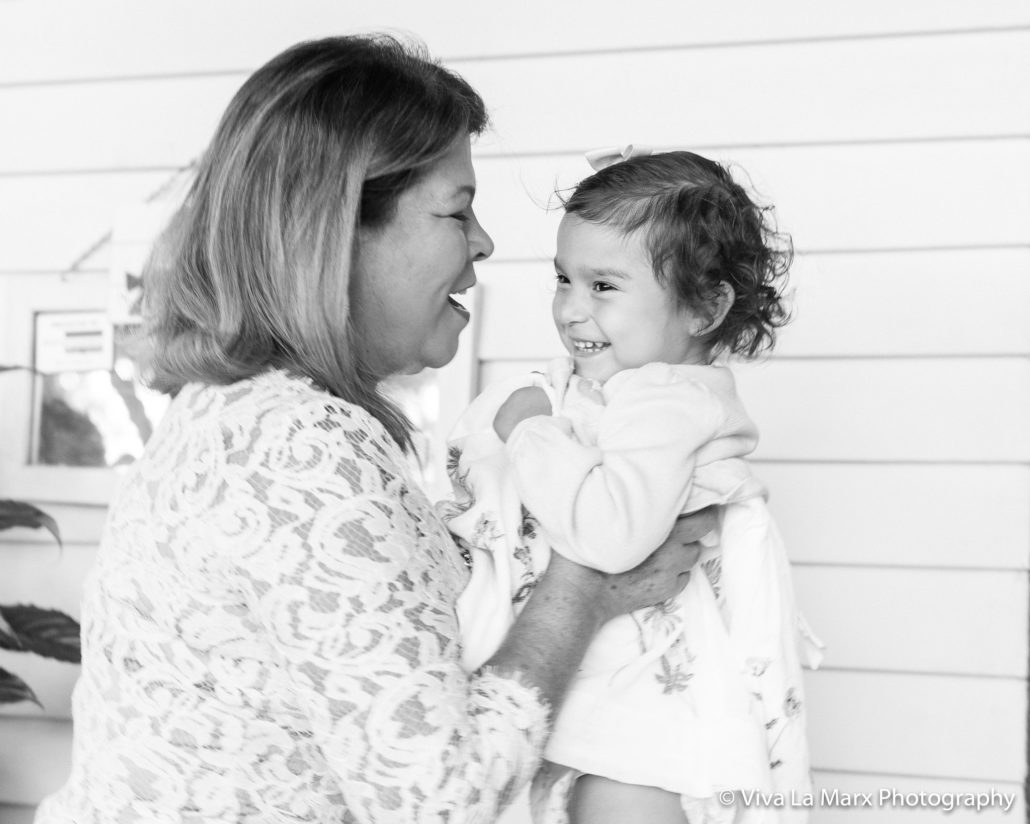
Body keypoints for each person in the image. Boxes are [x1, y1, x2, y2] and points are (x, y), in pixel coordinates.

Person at [33, 39, 714, 824]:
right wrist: (583, 586)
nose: (485, 242)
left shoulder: (240, 410)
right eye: (458, 211)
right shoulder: (298, 449)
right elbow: (440, 804)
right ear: (338, 230)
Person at [443, 147, 823, 824]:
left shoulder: (665, 399)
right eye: (563, 280)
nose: (570, 310)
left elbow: (610, 534)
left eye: (604, 287)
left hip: (646, 723)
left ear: (704, 307)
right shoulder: (630, 390)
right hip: (618, 704)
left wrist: (530, 430)